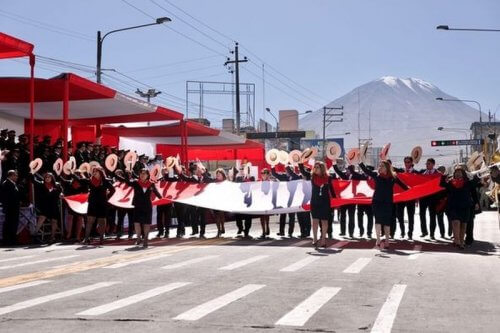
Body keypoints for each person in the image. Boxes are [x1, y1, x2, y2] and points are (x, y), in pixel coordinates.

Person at [359, 160, 409, 249]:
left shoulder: (393, 177)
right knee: (378, 220)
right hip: (377, 202)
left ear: (387, 167)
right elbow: (366, 171)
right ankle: (378, 239)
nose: (380, 167)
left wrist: (412, 190)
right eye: (379, 166)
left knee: (386, 222)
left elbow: (404, 186)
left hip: (388, 202)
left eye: (382, 166)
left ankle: (387, 240)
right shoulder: (376, 175)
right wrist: (360, 162)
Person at [119, 168, 162, 248]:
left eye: (144, 173)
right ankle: (138, 238)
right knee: (137, 223)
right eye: (141, 173)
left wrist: (162, 198)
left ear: (147, 175)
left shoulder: (151, 184)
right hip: (138, 205)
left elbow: (156, 192)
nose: (142, 175)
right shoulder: (136, 182)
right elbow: (128, 182)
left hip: (147, 206)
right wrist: (126, 174)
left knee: (146, 223)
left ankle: (145, 239)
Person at [440, 167, 478, 249]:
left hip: (465, 206)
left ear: (463, 174)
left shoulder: (467, 183)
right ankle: (457, 241)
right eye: (456, 172)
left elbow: (476, 182)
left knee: (463, 225)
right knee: (456, 222)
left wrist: (477, 175)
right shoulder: (450, 183)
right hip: (453, 206)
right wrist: (443, 177)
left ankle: (461, 242)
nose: (457, 173)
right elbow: (442, 184)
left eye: (459, 172)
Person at [300, 161, 335, 248]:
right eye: (314, 167)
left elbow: (332, 190)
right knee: (315, 220)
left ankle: (323, 239)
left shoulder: (328, 178)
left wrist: (336, 201)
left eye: (317, 167)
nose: (315, 168)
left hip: (325, 202)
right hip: (315, 202)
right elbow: (302, 171)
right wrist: (300, 161)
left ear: (322, 168)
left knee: (324, 221)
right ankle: (315, 238)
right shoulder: (312, 176)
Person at [78, 167, 115, 245]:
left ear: (100, 172)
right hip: (92, 203)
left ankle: (101, 239)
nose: (94, 173)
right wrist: (72, 173)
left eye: (96, 171)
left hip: (102, 203)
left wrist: (108, 198)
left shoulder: (105, 181)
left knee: (102, 221)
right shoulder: (90, 181)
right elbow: (80, 180)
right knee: (89, 221)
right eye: (93, 171)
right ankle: (86, 238)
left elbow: (113, 189)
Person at [333, 163, 365, 238]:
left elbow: (362, 178)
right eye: (347, 169)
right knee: (342, 216)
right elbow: (337, 171)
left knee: (351, 216)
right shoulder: (344, 176)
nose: (347, 171)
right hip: (344, 199)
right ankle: (343, 231)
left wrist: (352, 170)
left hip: (352, 200)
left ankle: (351, 232)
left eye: (349, 169)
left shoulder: (356, 176)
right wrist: (334, 163)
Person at [31, 172, 62, 243]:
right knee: (41, 218)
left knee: (54, 221)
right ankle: (34, 234)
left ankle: (52, 237)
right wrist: (32, 172)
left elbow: (61, 192)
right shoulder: (41, 184)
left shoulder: (57, 185)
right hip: (45, 205)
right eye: (46, 177)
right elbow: (33, 180)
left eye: (49, 177)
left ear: (52, 178)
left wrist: (61, 194)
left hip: (54, 205)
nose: (47, 178)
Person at [393, 156, 418, 240]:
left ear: (411, 163)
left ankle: (410, 233)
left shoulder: (416, 173)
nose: (406, 164)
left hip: (411, 197)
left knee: (411, 216)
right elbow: (390, 167)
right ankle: (402, 232)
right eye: (405, 162)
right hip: (401, 197)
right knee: (399, 216)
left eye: (408, 162)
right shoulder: (400, 171)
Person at [271, 165, 297, 237]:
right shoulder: (283, 176)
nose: (289, 171)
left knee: (291, 217)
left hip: (292, 199)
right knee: (282, 216)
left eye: (291, 170)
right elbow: (274, 174)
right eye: (288, 170)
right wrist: (272, 165)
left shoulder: (295, 177)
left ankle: (290, 232)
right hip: (284, 199)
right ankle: (281, 231)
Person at [418, 158, 439, 239]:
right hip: (423, 198)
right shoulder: (423, 173)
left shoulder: (437, 174)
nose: (427, 165)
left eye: (429, 164)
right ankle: (424, 231)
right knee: (422, 215)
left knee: (432, 216)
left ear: (433, 164)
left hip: (433, 198)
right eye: (426, 164)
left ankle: (432, 233)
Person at [1, 170, 21, 245]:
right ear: (11, 176)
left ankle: (13, 239)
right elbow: (6, 197)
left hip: (14, 207)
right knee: (9, 224)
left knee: (14, 223)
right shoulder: (6, 183)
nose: (17, 177)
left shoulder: (13, 184)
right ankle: (7, 240)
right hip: (10, 208)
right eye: (15, 175)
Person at [234, 167, 255, 238]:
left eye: (244, 169)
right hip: (240, 200)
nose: (242, 171)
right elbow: (237, 186)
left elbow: (254, 185)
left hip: (248, 200)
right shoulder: (238, 178)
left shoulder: (251, 178)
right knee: (238, 216)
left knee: (248, 217)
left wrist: (248, 178)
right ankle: (240, 228)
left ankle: (247, 231)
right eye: (241, 169)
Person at [208, 168, 227, 237]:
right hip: (215, 201)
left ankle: (222, 226)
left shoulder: (226, 182)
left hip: (223, 201)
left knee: (221, 215)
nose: (218, 176)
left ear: (222, 175)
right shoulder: (214, 182)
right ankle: (219, 230)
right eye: (217, 174)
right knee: (216, 216)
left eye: (219, 174)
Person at [259, 168, 271, 239]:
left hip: (267, 200)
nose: (263, 175)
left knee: (266, 216)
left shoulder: (270, 182)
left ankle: (267, 227)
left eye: (264, 173)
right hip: (261, 200)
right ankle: (263, 231)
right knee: (262, 217)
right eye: (262, 173)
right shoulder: (259, 182)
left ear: (267, 174)